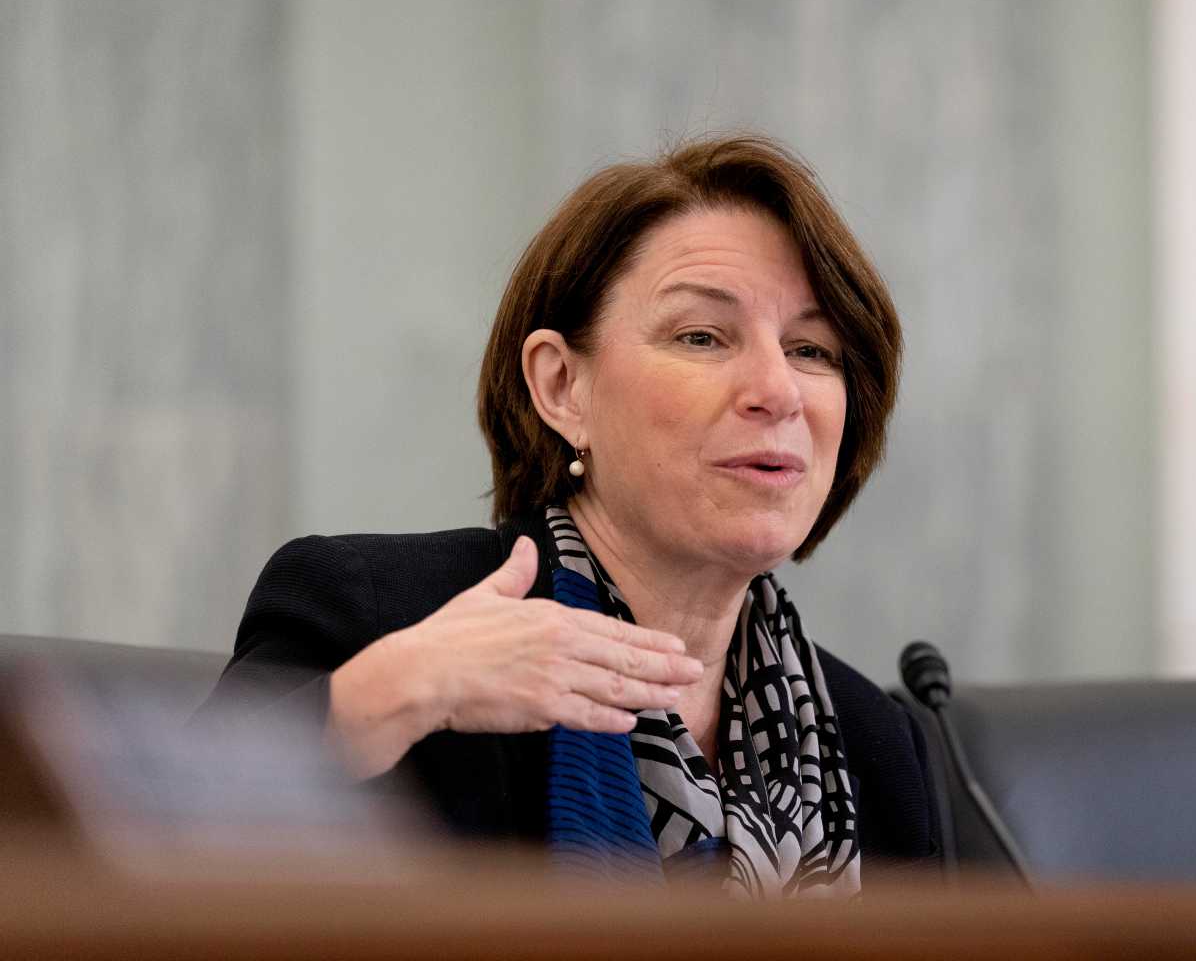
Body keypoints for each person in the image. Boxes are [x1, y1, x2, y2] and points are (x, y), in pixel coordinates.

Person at [200, 135, 939, 898]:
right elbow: (138, 854)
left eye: (812, 350)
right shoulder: (380, 616)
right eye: (702, 337)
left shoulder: (872, 743)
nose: (777, 390)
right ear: (562, 388)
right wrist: (401, 691)